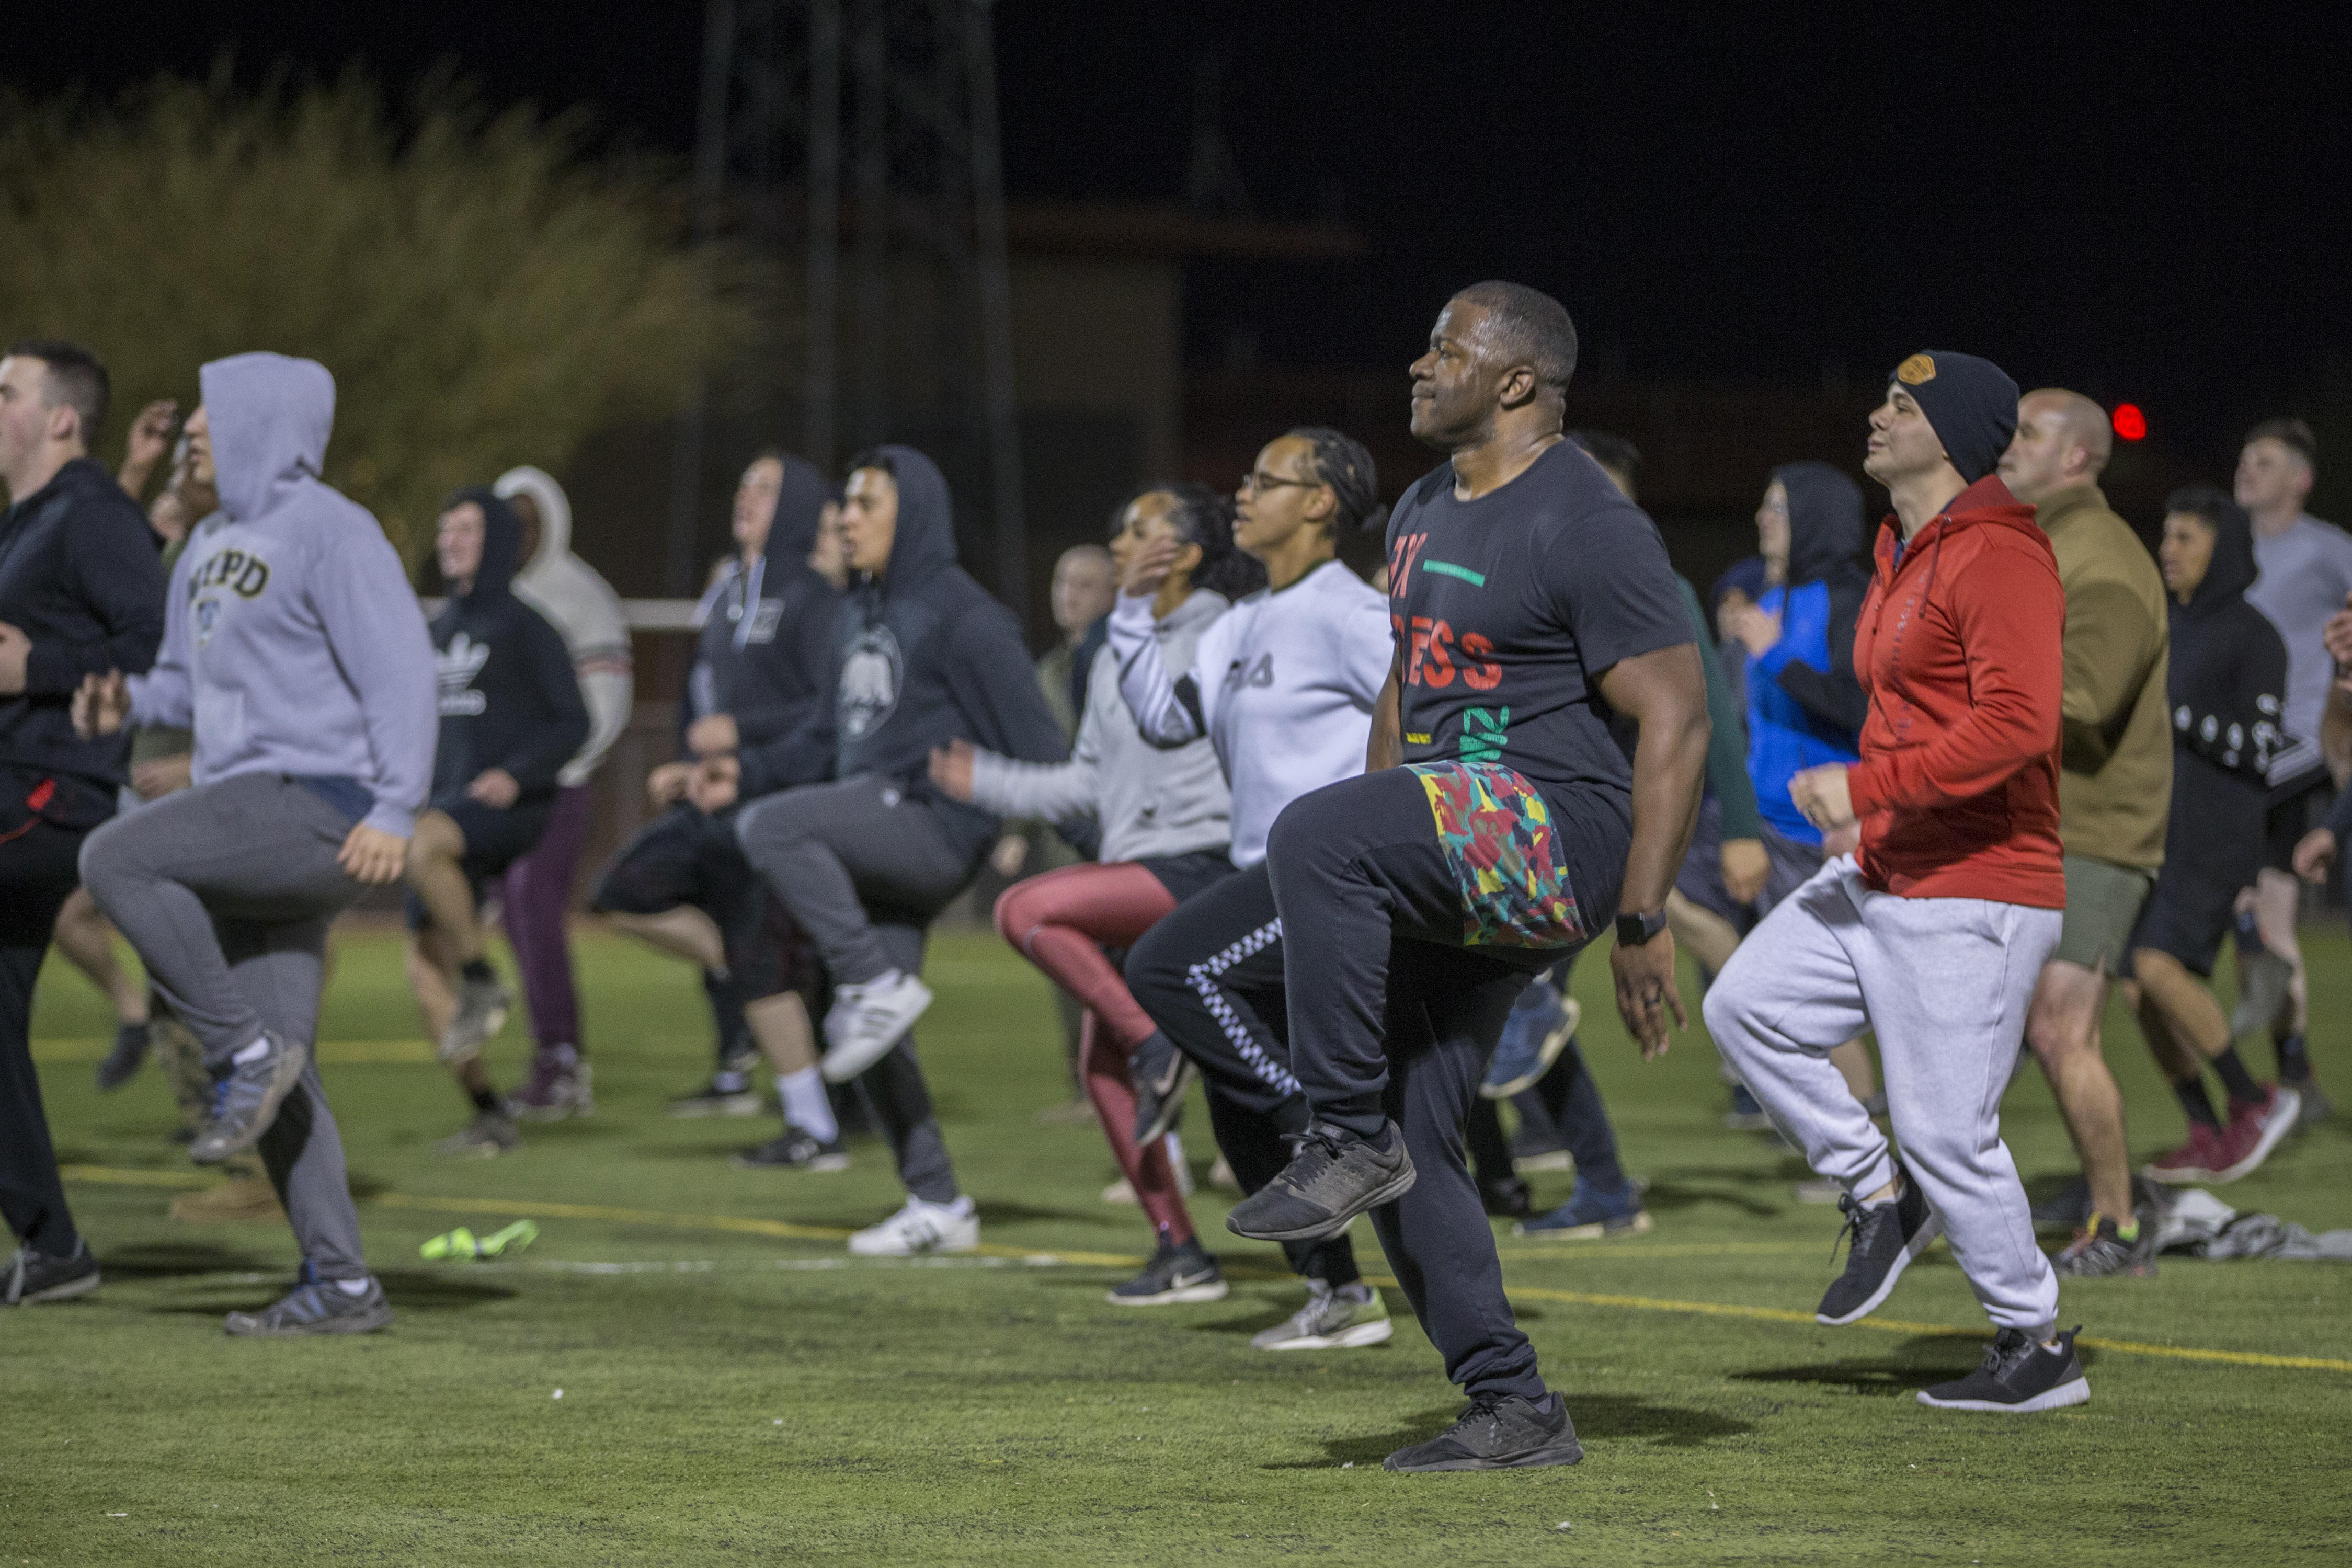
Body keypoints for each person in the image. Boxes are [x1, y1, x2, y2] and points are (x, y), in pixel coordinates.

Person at [1217, 283, 1707, 1471]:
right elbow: (1406, 687)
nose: (1419, 364)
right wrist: (1376, 830)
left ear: (1516, 382)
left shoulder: (1586, 519)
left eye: (1447, 349)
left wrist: (1642, 914)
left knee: (1309, 838)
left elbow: (1677, 717)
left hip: (1558, 826)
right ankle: (1511, 1405)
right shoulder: (1425, 504)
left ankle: (1339, 1132)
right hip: (1452, 832)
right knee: (1412, 1123)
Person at [1705, 350, 2091, 1414]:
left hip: (1976, 882)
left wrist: (1866, 785)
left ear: (1952, 434)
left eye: (1902, 405)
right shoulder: (1901, 550)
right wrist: (1868, 812)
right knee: (1743, 1005)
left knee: (1945, 1132)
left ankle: (2035, 1342)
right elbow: (1905, 712)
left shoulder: (1998, 553)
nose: (1875, 416)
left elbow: (2018, 723)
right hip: (1885, 863)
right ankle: (1878, 1192)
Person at [77, 351, 437, 1335]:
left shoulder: (332, 528)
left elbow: (403, 671)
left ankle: (239, 1046)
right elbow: (182, 685)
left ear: (260, 423)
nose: (194, 434)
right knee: (287, 1076)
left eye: (210, 418)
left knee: (115, 857)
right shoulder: (206, 543)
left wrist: (397, 805)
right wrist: (123, 701)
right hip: (255, 810)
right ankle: (343, 1284)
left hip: (320, 800)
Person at [706, 444, 1067, 1254]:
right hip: (876, 828)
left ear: (916, 514)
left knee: (771, 828)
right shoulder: (856, 612)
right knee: (866, 1032)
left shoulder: (965, 616)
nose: (845, 518)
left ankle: (873, 981)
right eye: (845, 503)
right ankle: (937, 1201)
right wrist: (742, 770)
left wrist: (1096, 847)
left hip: (935, 825)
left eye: (866, 503)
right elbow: (823, 739)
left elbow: (1044, 752)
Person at [934, 483, 1260, 1302]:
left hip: (1204, 867)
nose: (1119, 542)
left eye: (1140, 529)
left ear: (1187, 553)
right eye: (1118, 529)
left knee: (1025, 907)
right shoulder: (1117, 649)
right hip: (1139, 872)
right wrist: (986, 779)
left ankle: (1156, 1042)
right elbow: (1086, 782)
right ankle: (1179, 1249)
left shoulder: (1226, 631)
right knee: (1098, 1066)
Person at [1113, 427, 1397, 1354]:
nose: (1241, 492)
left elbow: (1421, 725)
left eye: (1265, 479)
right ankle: (1338, 1294)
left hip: (1326, 877)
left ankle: (1331, 1131)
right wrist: (1130, 612)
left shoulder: (1353, 614)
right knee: (1230, 1099)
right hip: (1258, 874)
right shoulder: (1238, 622)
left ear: (1319, 503)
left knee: (1168, 968)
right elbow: (1163, 719)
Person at [589, 452, 839, 1150]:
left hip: (776, 808)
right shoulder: (729, 596)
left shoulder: (817, 599)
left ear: (797, 504)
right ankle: (739, 961)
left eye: (766, 486)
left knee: (770, 972)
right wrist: (690, 764)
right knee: (619, 891)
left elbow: (830, 715)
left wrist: (742, 736)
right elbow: (712, 709)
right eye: (744, 482)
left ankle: (814, 1127)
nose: (746, 495)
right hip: (717, 800)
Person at [0, 341, 168, 1306]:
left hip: (45, 794)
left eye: (7, 390)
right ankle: (53, 1245)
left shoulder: (91, 511)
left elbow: (151, 646)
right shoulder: (30, 521)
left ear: (61, 417)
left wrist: (38, 668)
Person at [1994, 389, 2172, 1272]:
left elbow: (2087, 701)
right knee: (2000, 1026)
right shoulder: (2043, 541)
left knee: (2061, 1028)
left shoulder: (2099, 554)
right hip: (2042, 826)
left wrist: (1965, 692)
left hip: (2093, 832)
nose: (2006, 444)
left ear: (2077, 457)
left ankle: (2120, 1225)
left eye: (2026, 433)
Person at [1696, 461, 1882, 1143]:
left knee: (1814, 995)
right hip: (1760, 821)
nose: (1762, 518)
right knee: (1659, 893)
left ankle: (1865, 1133)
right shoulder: (1771, 598)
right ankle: (1758, 1032)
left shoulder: (1851, 598)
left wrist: (1774, 654)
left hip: (1820, 828)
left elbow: (1860, 709)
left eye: (1777, 507)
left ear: (1813, 515)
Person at [403, 488, 589, 1156]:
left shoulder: (527, 627)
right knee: (423, 970)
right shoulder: (434, 630)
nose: (449, 540)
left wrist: (518, 772)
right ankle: (487, 1113)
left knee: (422, 843)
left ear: (500, 540)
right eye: (445, 527)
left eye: (467, 528)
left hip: (507, 809)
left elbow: (574, 721)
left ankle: (483, 978)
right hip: (447, 808)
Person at [2134, 486, 2300, 1183]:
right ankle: (2205, 1129)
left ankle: (2252, 1100)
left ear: (2221, 547)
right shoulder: (2168, 622)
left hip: (2215, 835)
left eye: (2186, 538)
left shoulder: (2253, 634)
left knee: (2153, 964)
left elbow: (2259, 747)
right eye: (2166, 535)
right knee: (2135, 988)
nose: (2168, 550)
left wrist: (2176, 714)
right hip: (2155, 831)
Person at [492, 464, 634, 1121]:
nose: (520, 535)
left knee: (534, 911)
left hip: (557, 785)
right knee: (514, 917)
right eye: (509, 522)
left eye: (530, 521)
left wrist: (550, 766)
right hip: (502, 789)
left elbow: (606, 702)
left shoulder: (580, 595)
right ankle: (550, 1054)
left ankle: (563, 1060)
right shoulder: (494, 598)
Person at [2234, 418, 2348, 1120]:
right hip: (2234, 748)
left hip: (2296, 749)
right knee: (2264, 917)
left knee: (2252, 904)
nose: (2247, 467)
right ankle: (2295, 1077)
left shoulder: (2326, 548)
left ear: (2300, 479)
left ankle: (2290, 1073)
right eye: (2245, 458)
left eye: (2265, 460)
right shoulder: (2222, 546)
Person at [1013, 541, 1118, 1121]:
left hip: (1116, 833)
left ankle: (1135, 1085)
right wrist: (1015, 828)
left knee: (1123, 963)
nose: (1068, 595)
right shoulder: (1045, 672)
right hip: (1061, 837)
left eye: (1084, 584)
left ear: (1112, 594)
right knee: (1064, 959)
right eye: (1061, 582)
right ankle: (1084, 1087)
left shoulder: (1122, 661)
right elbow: (1031, 756)